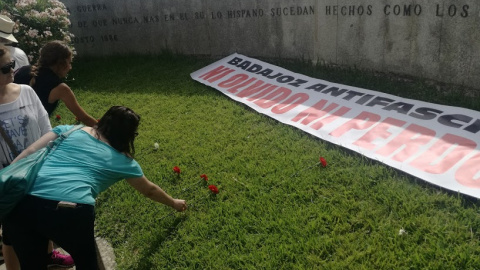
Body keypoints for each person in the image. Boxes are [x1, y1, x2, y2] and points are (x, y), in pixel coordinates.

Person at [3, 106, 188, 269]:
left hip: (22, 203)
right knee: (87, 263)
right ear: (129, 135)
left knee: (31, 265)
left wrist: (5, 179)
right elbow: (149, 190)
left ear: (103, 121)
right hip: (69, 208)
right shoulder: (124, 161)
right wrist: (174, 203)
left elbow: (29, 152)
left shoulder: (69, 130)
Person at [0, 46, 74, 269]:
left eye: (12, 64)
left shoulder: (26, 91)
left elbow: (46, 129)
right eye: (5, 67)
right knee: (12, 232)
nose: (12, 69)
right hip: (7, 180)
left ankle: (49, 255)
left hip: (38, 172)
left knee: (44, 220)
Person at [14, 40, 97, 126]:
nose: (70, 67)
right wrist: (105, 132)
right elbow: (84, 118)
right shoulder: (60, 88)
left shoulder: (22, 70)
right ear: (61, 63)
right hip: (36, 134)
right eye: (69, 62)